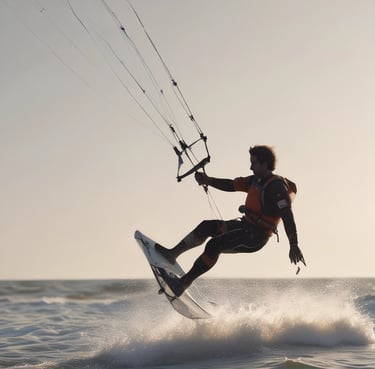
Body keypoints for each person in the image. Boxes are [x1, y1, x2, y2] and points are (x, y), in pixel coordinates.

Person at [156, 145, 306, 296]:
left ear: (265, 164)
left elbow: (287, 216)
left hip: (256, 237)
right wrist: (208, 180)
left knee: (214, 245)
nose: (251, 167)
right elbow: (231, 185)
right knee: (207, 226)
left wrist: (294, 244)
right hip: (244, 226)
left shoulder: (276, 187)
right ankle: (172, 254)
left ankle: (182, 283)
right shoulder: (255, 180)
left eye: (254, 163)